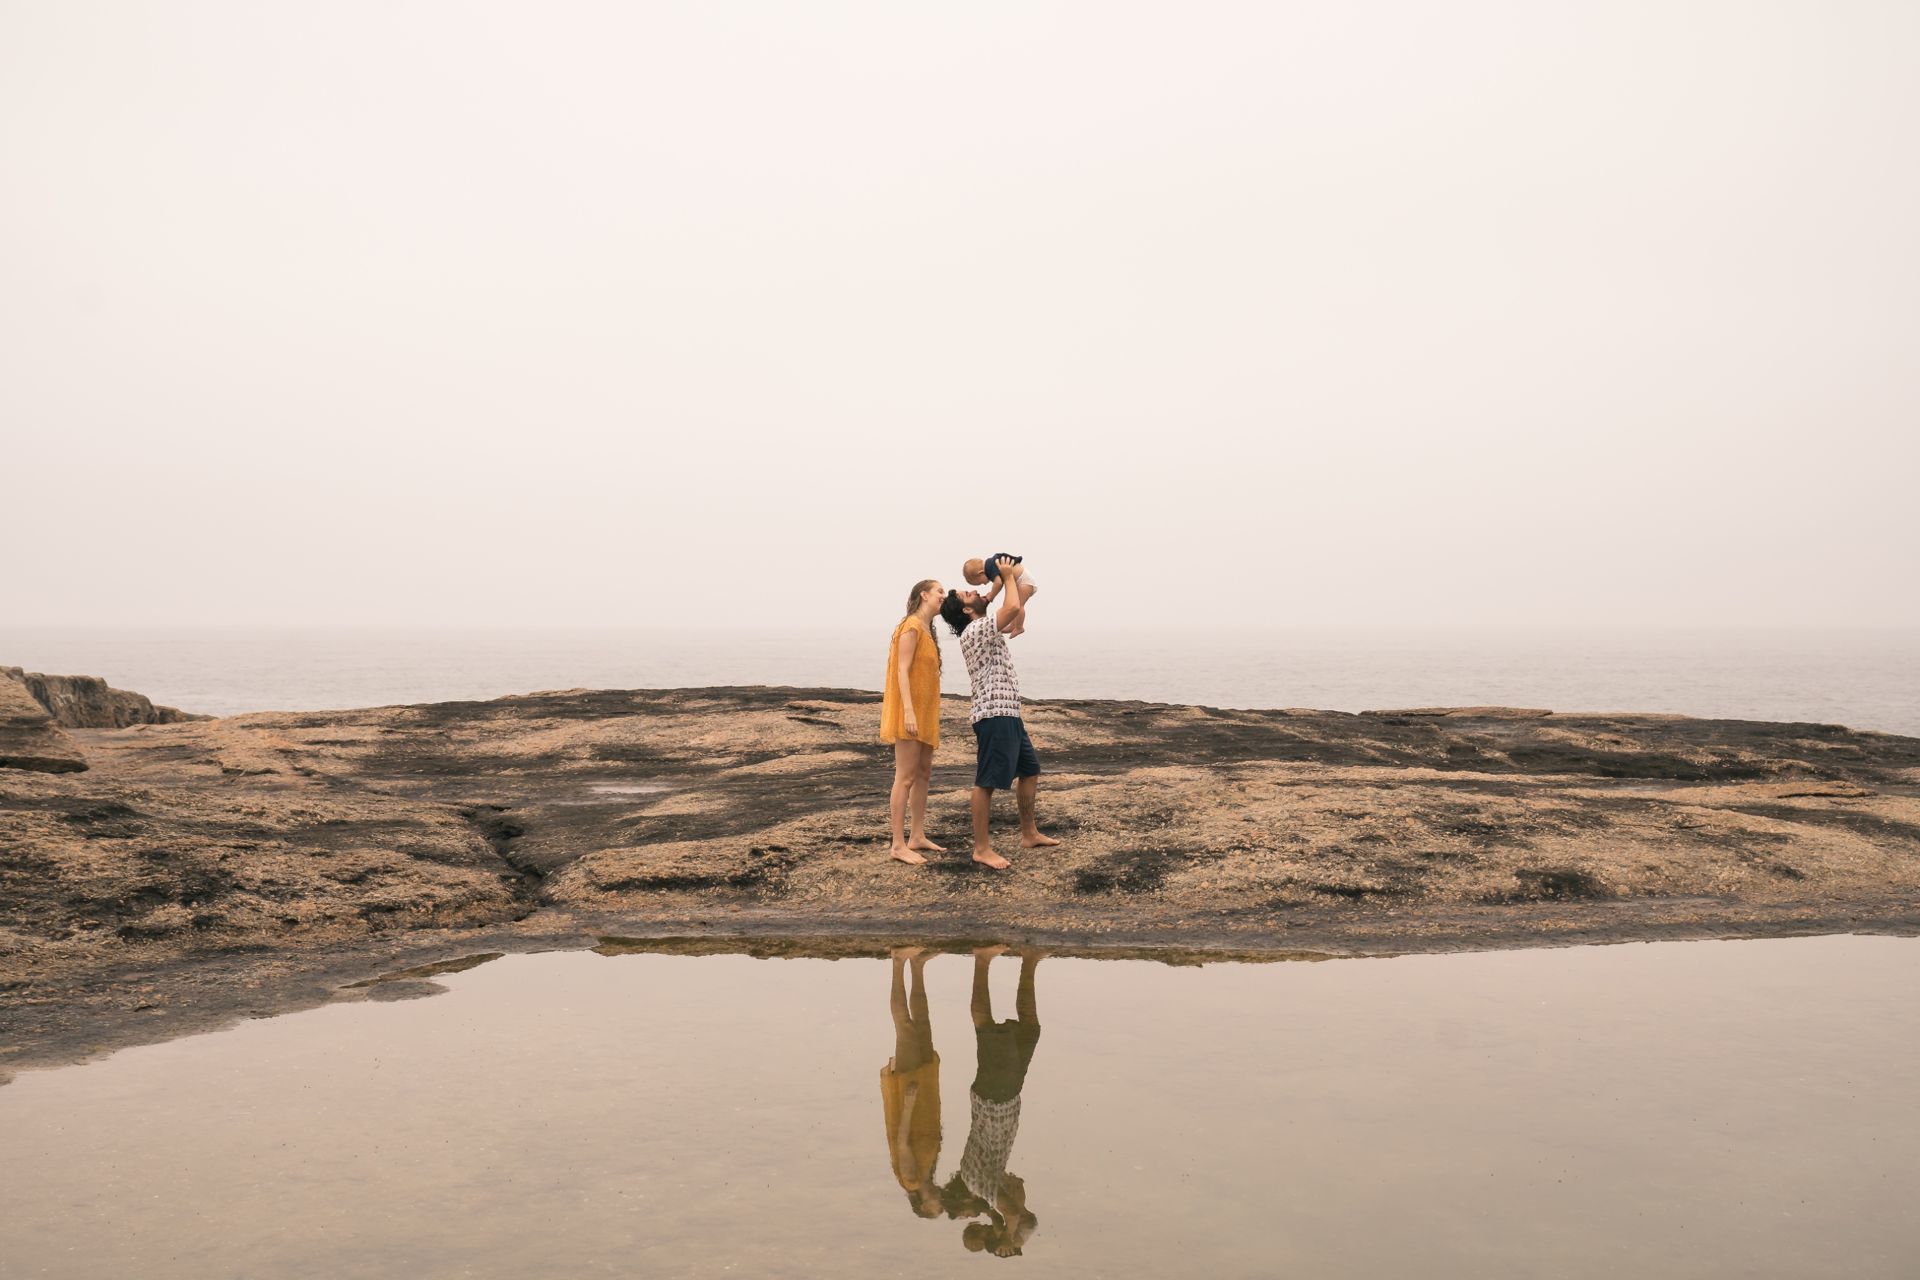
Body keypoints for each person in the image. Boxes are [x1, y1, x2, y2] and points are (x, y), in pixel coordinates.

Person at [939, 565, 1058, 870]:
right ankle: (981, 849)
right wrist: (1005, 575)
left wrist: (996, 587)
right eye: (969, 594)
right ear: (967, 610)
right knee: (986, 782)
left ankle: (1029, 833)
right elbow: (1013, 607)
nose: (975, 591)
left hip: (1008, 712)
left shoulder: (983, 626)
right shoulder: (976, 630)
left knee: (1029, 771)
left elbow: (1008, 607)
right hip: (993, 714)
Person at [942, 946, 1044, 1257]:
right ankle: (1029, 961)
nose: (972, 1216)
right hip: (1003, 1099)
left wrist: (1007, 1239)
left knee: (986, 1029)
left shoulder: (977, 1185)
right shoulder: (984, 1188)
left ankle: (982, 960)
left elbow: (1013, 1213)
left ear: (963, 1197)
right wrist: (1000, 1227)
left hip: (994, 1100)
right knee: (1029, 1030)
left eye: (966, 1215)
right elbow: (1022, 1205)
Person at [881, 579, 946, 864]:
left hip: (926, 712)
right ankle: (897, 845)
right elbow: (902, 670)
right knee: (905, 777)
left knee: (923, 774)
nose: (944, 595)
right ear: (924, 595)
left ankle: (916, 835)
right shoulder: (910, 626)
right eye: (939, 591)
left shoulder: (927, 629)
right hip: (910, 712)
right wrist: (908, 711)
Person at [879, 946, 946, 1219]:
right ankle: (917, 966)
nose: (939, 1200)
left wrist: (908, 1103)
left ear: (921, 1204)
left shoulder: (911, 1180)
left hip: (912, 1095)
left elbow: (902, 1143)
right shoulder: (927, 1173)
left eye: (935, 1206)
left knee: (905, 1028)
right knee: (923, 1024)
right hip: (925, 1094)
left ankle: (898, 962)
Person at [961, 553, 1038, 638]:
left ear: (980, 573)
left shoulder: (990, 567)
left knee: (1019, 605)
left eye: (981, 582)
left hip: (1024, 581)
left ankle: (1019, 627)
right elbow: (1000, 583)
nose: (985, 584)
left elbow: (998, 583)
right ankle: (1012, 626)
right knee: (1016, 604)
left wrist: (991, 595)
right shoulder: (992, 565)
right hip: (1022, 580)